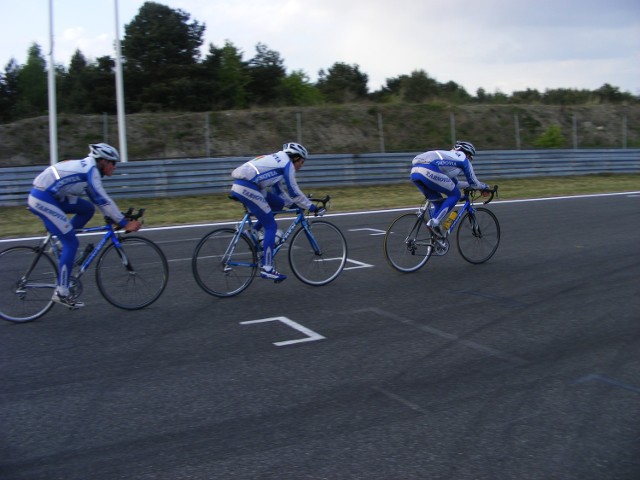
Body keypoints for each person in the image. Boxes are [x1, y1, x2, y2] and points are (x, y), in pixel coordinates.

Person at [27, 143, 142, 309]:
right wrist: (124, 222)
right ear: (102, 161)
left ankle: (60, 245)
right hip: (43, 198)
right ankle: (62, 292)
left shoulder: (89, 169)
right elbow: (103, 199)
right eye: (113, 163)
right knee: (72, 243)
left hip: (50, 195)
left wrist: (118, 218)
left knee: (87, 208)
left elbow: (97, 202)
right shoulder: (91, 172)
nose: (114, 167)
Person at [230, 142, 320, 282]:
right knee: (271, 226)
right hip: (248, 188)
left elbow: (279, 193)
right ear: (295, 157)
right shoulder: (287, 165)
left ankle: (252, 232)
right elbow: (294, 191)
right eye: (302, 162)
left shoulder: (277, 160)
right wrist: (311, 206)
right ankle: (268, 268)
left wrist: (292, 206)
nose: (301, 166)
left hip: (241, 185)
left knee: (277, 203)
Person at [410, 140, 489, 237]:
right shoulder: (463, 158)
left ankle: (434, 238)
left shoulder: (448, 159)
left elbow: (455, 184)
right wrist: (484, 187)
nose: (470, 160)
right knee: (455, 195)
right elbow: (474, 183)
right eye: (471, 158)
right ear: (468, 154)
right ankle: (434, 222)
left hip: (415, 172)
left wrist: (469, 186)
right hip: (429, 169)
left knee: (439, 203)